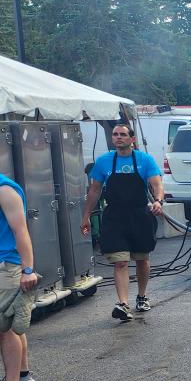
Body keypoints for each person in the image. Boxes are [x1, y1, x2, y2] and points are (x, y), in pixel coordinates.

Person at [80, 123, 165, 321]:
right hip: (115, 216)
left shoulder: (144, 160)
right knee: (121, 261)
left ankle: (142, 296)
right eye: (115, 134)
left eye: (123, 134)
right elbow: (94, 190)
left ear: (132, 139)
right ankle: (123, 304)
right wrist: (86, 216)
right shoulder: (104, 161)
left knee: (142, 258)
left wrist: (158, 201)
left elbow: (157, 184)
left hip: (140, 215)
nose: (118, 137)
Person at [0, 173, 38, 381]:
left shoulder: (4, 190)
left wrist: (28, 270)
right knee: (12, 323)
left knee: (4, 329)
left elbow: (20, 231)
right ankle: (22, 375)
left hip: (7, 265)